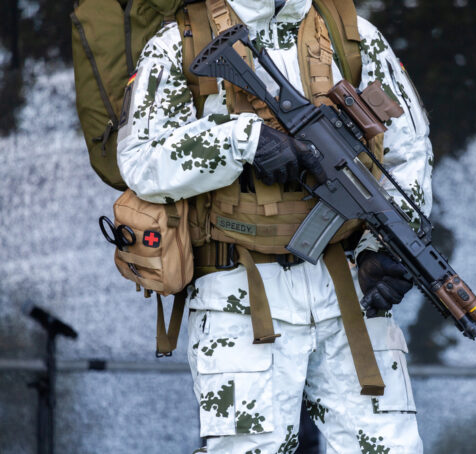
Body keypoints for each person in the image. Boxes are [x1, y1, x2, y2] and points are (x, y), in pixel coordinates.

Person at [117, 0, 433, 452]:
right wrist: (241, 140)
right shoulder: (181, 43)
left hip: (346, 289)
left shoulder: (353, 37)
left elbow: (408, 152)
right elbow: (141, 159)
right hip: (239, 295)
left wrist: (384, 247)